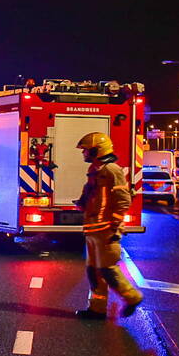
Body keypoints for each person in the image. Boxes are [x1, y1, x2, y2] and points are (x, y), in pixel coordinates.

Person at [74, 132, 144, 320]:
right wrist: (82, 203)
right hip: (94, 230)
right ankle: (96, 309)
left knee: (107, 269)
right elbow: (92, 194)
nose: (84, 154)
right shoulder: (95, 170)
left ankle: (132, 297)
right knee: (94, 272)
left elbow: (123, 200)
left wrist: (114, 225)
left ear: (97, 150)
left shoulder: (112, 170)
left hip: (105, 231)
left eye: (86, 150)